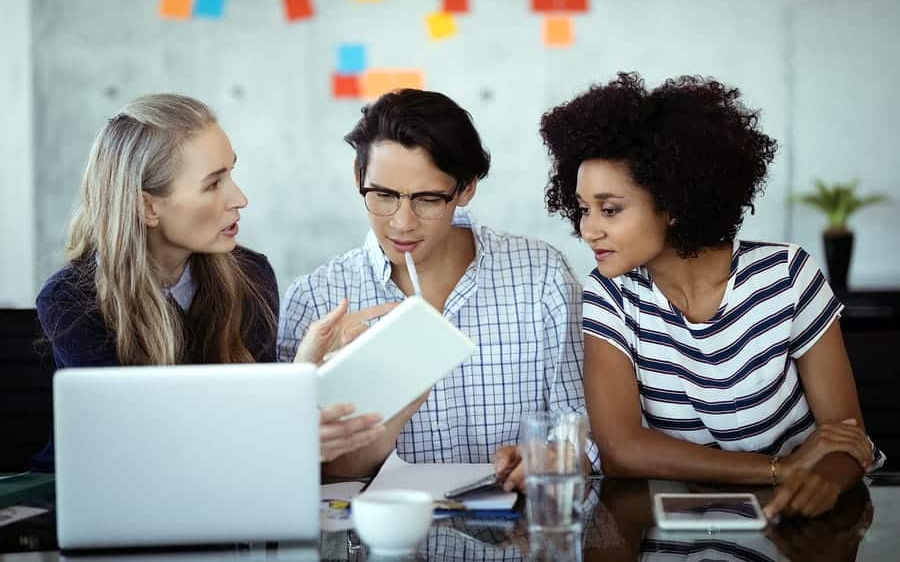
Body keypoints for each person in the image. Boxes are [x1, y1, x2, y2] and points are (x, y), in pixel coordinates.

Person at [539, 72, 884, 518]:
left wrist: (819, 481)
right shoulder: (611, 295)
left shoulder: (785, 275)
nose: (588, 229)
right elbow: (622, 449)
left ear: (674, 203)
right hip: (683, 532)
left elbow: (845, 437)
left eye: (610, 209)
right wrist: (780, 468)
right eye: (584, 209)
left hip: (803, 522)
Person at [33, 94, 383, 470]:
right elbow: (141, 449)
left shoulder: (251, 276)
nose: (240, 198)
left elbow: (253, 432)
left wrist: (302, 377)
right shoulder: (70, 299)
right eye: (213, 184)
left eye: (231, 173)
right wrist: (284, 426)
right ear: (147, 207)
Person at [278, 89, 596, 482]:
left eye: (427, 200)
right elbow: (301, 473)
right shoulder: (316, 300)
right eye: (383, 195)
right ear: (359, 178)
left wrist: (553, 457)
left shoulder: (541, 275)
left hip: (515, 536)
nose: (402, 222)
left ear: (465, 189)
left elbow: (584, 431)